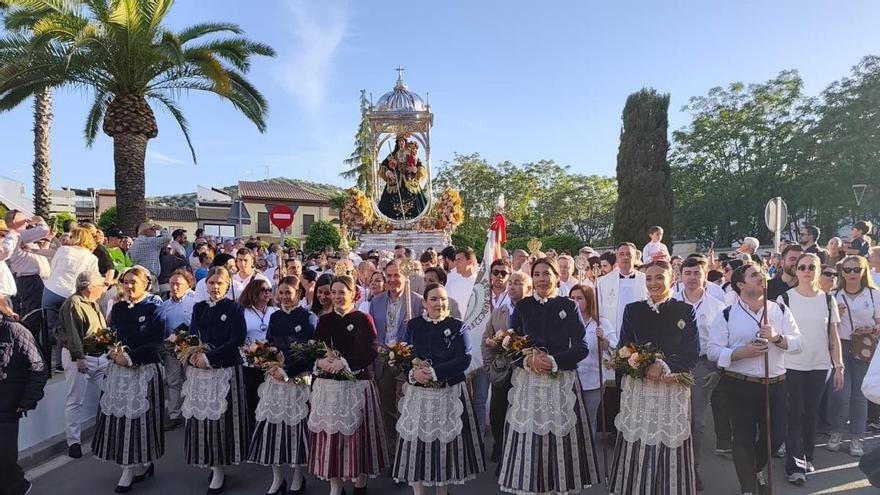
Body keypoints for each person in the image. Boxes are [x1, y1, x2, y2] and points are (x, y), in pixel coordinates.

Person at [498, 257, 599, 495]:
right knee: (531, 440)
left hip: (560, 380)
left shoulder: (568, 305)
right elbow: (511, 345)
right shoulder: (522, 306)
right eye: (537, 274)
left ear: (556, 276)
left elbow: (582, 347)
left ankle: (558, 487)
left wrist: (554, 361)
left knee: (560, 440)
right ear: (532, 279)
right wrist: (527, 360)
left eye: (547, 273)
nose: (543, 278)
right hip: (530, 382)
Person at [707, 262, 803, 495]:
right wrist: (740, 353)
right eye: (754, 275)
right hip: (740, 383)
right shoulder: (727, 315)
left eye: (761, 273)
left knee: (776, 435)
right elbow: (712, 350)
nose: (761, 277)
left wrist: (777, 338)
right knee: (743, 436)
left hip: (776, 383)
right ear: (740, 284)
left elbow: (798, 343)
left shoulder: (778, 310)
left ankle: (755, 468)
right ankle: (748, 487)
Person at [608, 261, 700, 494]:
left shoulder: (685, 310)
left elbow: (691, 352)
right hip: (639, 388)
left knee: (668, 441)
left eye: (659, 277)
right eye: (649, 278)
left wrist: (664, 365)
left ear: (672, 279)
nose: (653, 283)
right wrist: (636, 366)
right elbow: (624, 348)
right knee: (637, 440)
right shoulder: (633, 310)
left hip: (672, 387)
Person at [393, 283, 485, 493]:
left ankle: (442, 491)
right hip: (419, 393)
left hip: (447, 392)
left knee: (443, 447)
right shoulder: (414, 325)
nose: (439, 303)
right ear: (424, 303)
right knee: (416, 444)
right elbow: (403, 354)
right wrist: (413, 373)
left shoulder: (457, 325)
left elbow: (464, 358)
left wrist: (435, 373)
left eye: (443, 298)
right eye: (433, 299)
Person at [308, 275, 388, 495]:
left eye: (342, 292)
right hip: (329, 386)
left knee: (357, 438)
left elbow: (371, 349)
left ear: (354, 294)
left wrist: (347, 363)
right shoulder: (324, 321)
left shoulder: (363, 319)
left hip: (356, 385)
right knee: (331, 437)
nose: (336, 297)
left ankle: (359, 484)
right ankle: (336, 486)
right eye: (333, 292)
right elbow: (315, 347)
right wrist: (319, 361)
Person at [92, 266, 165, 492]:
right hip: (119, 371)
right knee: (120, 419)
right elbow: (112, 333)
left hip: (143, 369)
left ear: (146, 284)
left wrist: (130, 356)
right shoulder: (119, 307)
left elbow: (155, 341)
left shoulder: (155, 308)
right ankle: (128, 466)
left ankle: (140, 464)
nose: (129, 286)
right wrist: (112, 351)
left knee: (141, 421)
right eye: (126, 282)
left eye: (134, 281)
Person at [777, 253, 844, 484]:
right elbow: (778, 335)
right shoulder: (784, 298)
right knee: (795, 413)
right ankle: (795, 467)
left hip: (820, 365)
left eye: (812, 267)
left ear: (818, 271)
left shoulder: (828, 300)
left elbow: (833, 335)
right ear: (796, 271)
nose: (807, 270)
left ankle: (807, 455)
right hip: (791, 364)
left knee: (810, 414)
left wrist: (839, 366)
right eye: (802, 267)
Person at [248, 275, 317, 495]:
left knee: (296, 432)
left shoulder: (308, 317)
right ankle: (277, 479)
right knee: (272, 429)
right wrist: (266, 361)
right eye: (281, 293)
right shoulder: (275, 316)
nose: (284, 297)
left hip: (297, 380)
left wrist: (287, 371)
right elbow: (269, 345)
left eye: (289, 292)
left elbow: (311, 355)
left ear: (299, 293)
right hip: (275, 379)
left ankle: (298, 477)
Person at [183, 266, 248, 494]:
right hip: (200, 372)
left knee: (221, 421)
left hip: (224, 370)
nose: (215, 287)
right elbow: (192, 335)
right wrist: (190, 353)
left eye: (220, 283)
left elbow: (237, 339)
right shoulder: (199, 307)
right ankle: (210, 462)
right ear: (206, 284)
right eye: (211, 282)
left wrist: (209, 357)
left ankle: (220, 468)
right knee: (203, 419)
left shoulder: (234, 308)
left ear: (228, 284)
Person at [672, 255, 727, 486]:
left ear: (705, 276)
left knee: (696, 421)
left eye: (697, 273)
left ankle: (691, 468)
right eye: (688, 273)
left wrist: (719, 370)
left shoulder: (718, 307)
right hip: (672, 366)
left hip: (702, 366)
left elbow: (724, 342)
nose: (692, 278)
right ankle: (671, 466)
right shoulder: (670, 302)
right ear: (680, 275)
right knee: (672, 418)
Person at [369, 260, 425, 450]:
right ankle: (392, 452)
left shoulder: (416, 301)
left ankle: (407, 452)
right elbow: (373, 334)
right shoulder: (376, 301)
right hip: (383, 362)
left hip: (406, 363)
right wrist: (379, 349)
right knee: (387, 409)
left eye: (397, 275)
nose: (393, 280)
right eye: (389, 276)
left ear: (405, 277)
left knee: (405, 408)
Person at [827, 255, 880, 457]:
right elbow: (824, 324)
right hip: (839, 344)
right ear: (841, 272)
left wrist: (872, 329)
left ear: (864, 271)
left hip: (864, 346)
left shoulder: (874, 294)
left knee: (860, 395)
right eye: (847, 270)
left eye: (856, 269)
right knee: (840, 391)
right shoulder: (833, 294)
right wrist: (835, 314)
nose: (852, 273)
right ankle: (836, 432)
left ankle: (857, 437)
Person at [480, 270, 531, 462]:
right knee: (497, 416)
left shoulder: (532, 311)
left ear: (528, 287)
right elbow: (486, 340)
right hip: (501, 373)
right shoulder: (498, 311)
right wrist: (490, 368)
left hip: (524, 373)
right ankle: (501, 449)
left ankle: (516, 457)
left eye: (517, 282)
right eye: (510, 282)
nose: (511, 286)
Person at [58, 271, 109, 459]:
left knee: (103, 396)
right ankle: (74, 442)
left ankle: (104, 433)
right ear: (90, 287)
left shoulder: (93, 303)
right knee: (75, 400)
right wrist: (78, 357)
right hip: (80, 357)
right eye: (101, 285)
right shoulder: (73, 304)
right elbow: (73, 333)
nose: (104, 289)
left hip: (97, 355)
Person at [0, 313, 47, 495]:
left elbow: (38, 367)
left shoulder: (16, 331)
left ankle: (19, 488)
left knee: (4, 458)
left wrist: (27, 400)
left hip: (7, 407)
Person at [43, 227, 100, 370]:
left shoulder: (63, 250)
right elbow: (91, 279)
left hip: (52, 289)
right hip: (71, 295)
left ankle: (44, 363)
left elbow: (52, 267)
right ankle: (60, 364)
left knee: (46, 329)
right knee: (68, 329)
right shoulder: (92, 258)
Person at [570, 284, 613, 437]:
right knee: (571, 421)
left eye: (579, 298)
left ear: (588, 300)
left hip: (592, 380)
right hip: (570, 380)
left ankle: (590, 458)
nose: (575, 301)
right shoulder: (566, 321)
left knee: (589, 421)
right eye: (572, 298)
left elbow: (614, 349)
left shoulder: (600, 322)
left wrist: (603, 340)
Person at [158, 270, 196, 431]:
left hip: (189, 349)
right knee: (173, 382)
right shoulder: (164, 305)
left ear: (188, 284)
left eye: (178, 284)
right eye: (172, 284)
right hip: (171, 350)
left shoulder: (195, 301)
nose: (174, 287)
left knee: (191, 381)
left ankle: (191, 413)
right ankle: (174, 415)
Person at [239, 278, 277, 427]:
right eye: (263, 290)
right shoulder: (243, 312)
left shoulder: (275, 311)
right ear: (253, 292)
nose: (267, 293)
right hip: (249, 363)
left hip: (271, 363)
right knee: (253, 400)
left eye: (269, 290)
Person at [596, 242, 648, 340]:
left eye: (628, 254)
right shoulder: (602, 282)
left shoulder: (645, 280)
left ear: (636, 256)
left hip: (640, 333)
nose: (625, 257)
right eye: (622, 254)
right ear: (617, 257)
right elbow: (599, 313)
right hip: (611, 334)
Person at [6, 211, 51, 318]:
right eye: (24, 221)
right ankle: (31, 334)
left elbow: (41, 253)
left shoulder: (20, 237)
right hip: (30, 279)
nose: (27, 223)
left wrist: (48, 238)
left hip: (33, 280)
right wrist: (39, 219)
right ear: (14, 221)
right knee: (34, 313)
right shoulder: (15, 235)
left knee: (35, 311)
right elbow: (43, 230)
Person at [376, 134, 428, 220]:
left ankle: (415, 220)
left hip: (410, 181)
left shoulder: (411, 154)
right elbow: (383, 166)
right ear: (397, 143)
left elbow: (420, 165)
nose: (401, 143)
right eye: (399, 141)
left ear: (405, 142)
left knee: (416, 204)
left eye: (403, 141)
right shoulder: (393, 155)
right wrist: (388, 172)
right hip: (395, 182)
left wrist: (415, 169)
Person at [128, 223, 171, 287]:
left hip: (137, 275)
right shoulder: (151, 242)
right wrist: (161, 229)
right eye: (152, 229)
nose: (155, 231)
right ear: (145, 231)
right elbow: (168, 238)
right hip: (148, 277)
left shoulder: (134, 244)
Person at [445, 247, 478, 313]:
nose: (456, 263)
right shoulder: (451, 284)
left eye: (459, 260)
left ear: (470, 262)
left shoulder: (480, 283)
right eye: (455, 260)